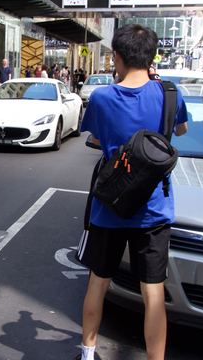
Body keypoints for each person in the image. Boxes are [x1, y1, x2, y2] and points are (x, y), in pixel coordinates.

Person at [77, 24, 188, 360]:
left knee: (99, 281)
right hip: (154, 207)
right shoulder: (170, 93)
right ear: (152, 56)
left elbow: (96, 139)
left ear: (118, 56)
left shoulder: (103, 97)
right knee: (153, 292)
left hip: (111, 206)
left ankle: (87, 352)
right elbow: (179, 130)